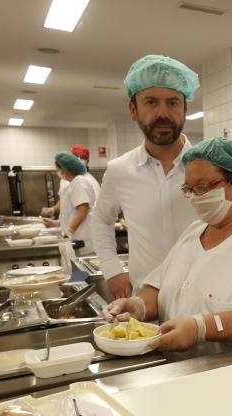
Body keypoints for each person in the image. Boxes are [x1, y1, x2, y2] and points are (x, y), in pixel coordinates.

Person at [102, 137, 232, 352]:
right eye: (189, 189)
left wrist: (202, 327)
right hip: (184, 368)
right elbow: (161, 286)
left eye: (202, 187)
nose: (195, 198)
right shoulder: (195, 232)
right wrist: (139, 306)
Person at [91, 54, 200, 300]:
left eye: (172, 103)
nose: (162, 113)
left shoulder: (209, 166)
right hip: (146, 302)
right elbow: (100, 219)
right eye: (150, 102)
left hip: (207, 301)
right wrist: (112, 269)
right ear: (133, 109)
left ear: (185, 109)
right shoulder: (120, 171)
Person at [43, 151, 100, 253]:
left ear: (64, 169)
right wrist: (57, 223)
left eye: (57, 169)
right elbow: (71, 213)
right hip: (76, 240)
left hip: (82, 241)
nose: (57, 172)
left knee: (83, 268)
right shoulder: (71, 185)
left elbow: (83, 209)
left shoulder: (79, 182)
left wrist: (69, 231)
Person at [41, 144, 91, 218]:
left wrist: (71, 229)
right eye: (76, 156)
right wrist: (53, 210)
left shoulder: (82, 181)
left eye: (83, 157)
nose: (79, 159)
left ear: (88, 160)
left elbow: (83, 208)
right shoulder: (65, 179)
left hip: (78, 226)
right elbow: (64, 199)